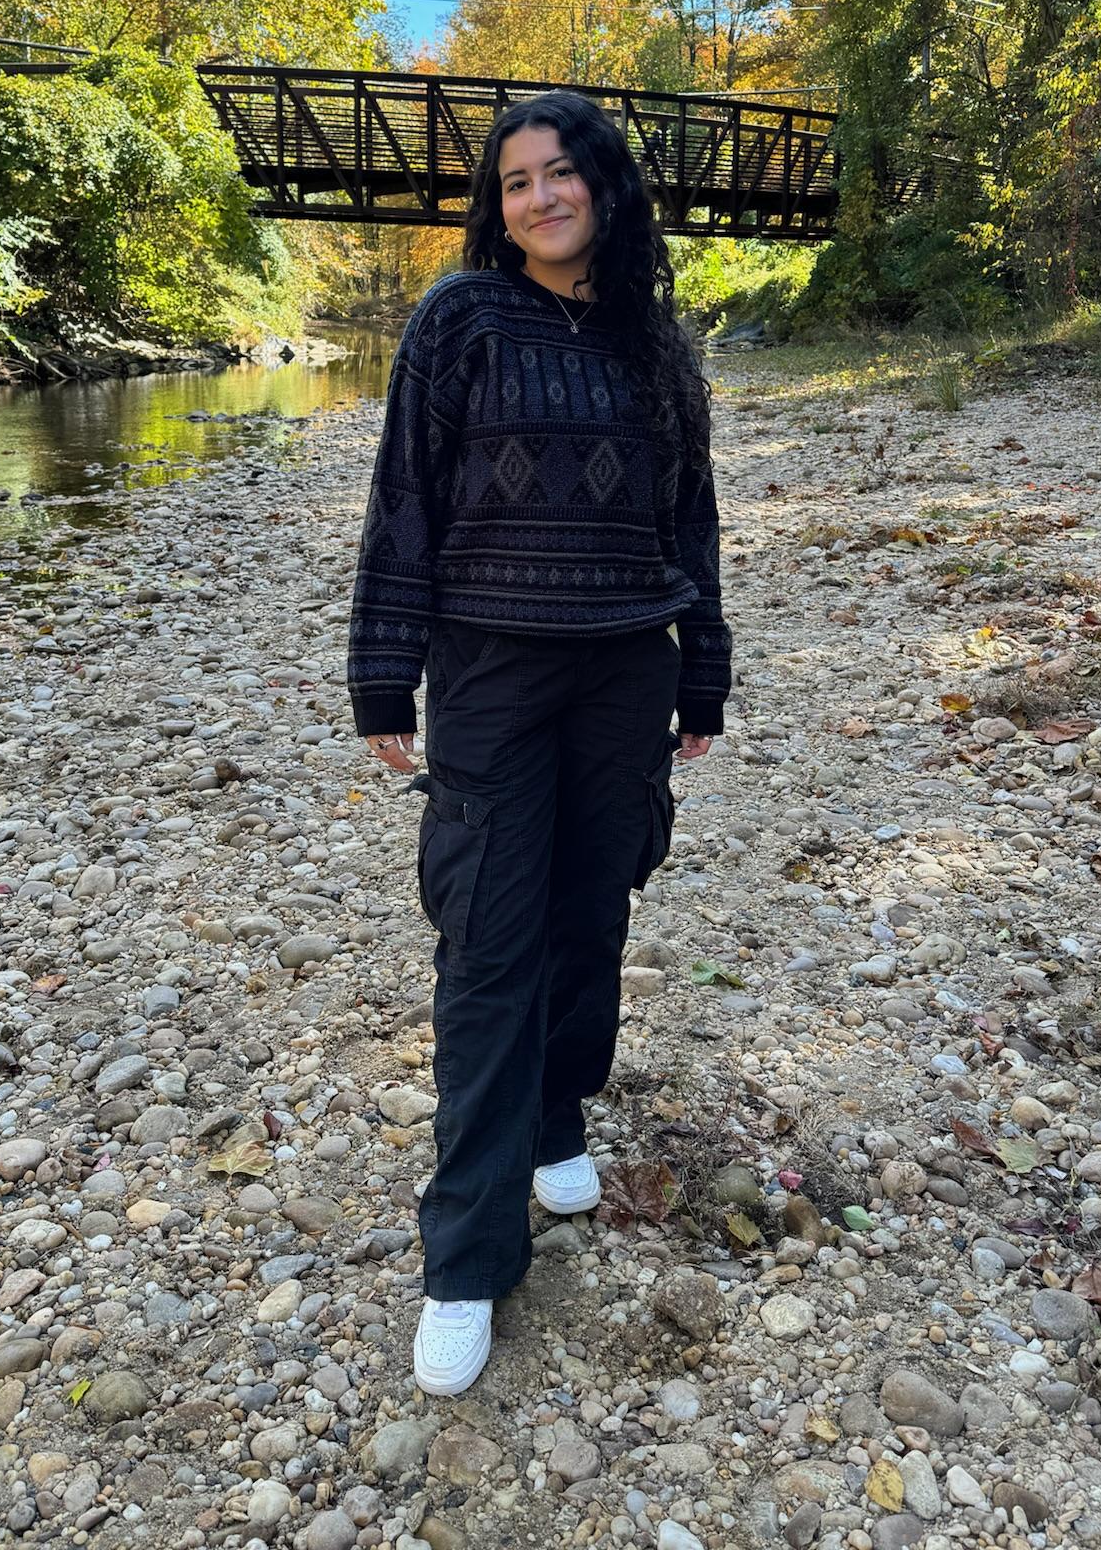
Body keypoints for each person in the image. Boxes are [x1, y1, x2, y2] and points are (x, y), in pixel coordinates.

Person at [346, 89, 732, 1396]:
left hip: (630, 665)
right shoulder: (459, 320)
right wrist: (383, 675)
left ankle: (562, 1107)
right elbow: (408, 495)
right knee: (490, 943)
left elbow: (694, 526)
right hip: (496, 674)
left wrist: (706, 675)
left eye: (561, 173)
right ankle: (465, 1258)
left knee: (594, 913)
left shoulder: (656, 347)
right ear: (494, 206)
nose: (540, 197)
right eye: (515, 182)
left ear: (606, 189)